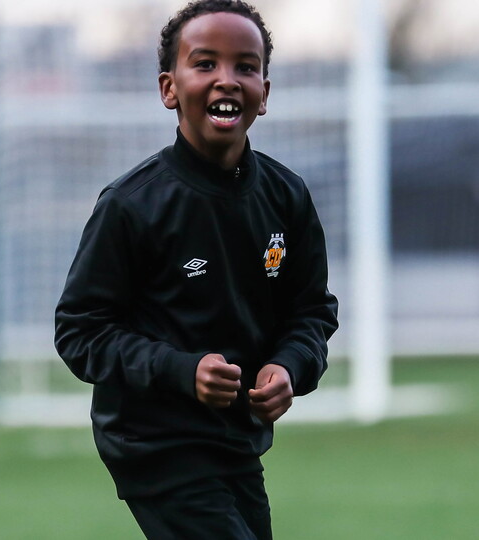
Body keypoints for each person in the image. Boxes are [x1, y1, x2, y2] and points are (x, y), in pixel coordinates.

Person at [54, 1, 338, 538]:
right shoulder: (132, 204)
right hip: (155, 443)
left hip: (235, 440)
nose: (226, 80)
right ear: (169, 88)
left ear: (265, 93)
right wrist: (182, 370)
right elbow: (80, 331)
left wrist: (290, 368)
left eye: (245, 67)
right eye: (205, 64)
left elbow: (312, 311)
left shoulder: (286, 196)